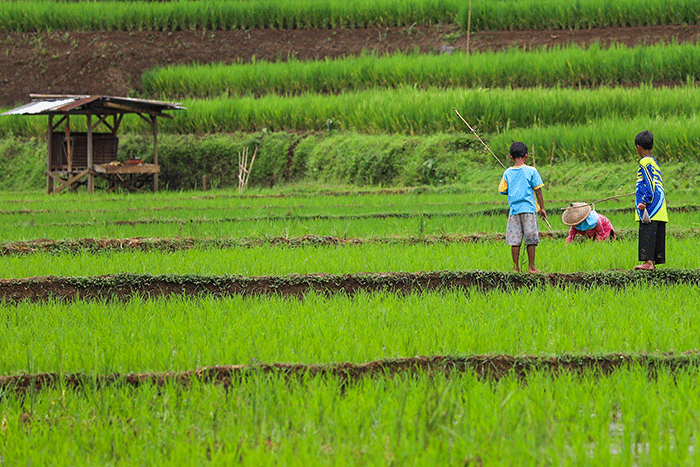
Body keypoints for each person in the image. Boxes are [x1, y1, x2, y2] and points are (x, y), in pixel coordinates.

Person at [498, 141, 547, 273]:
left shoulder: (507, 173)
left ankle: (516, 268)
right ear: (527, 156)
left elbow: (503, 190)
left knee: (515, 239)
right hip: (529, 210)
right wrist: (542, 208)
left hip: (514, 211)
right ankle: (531, 267)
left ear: (511, 157)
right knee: (531, 238)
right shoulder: (532, 171)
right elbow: (538, 190)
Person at [634, 130, 668, 270]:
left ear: (638, 147)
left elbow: (648, 182)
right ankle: (653, 261)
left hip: (650, 206)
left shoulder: (644, 162)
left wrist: (645, 201)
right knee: (656, 233)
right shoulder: (654, 162)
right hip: (660, 205)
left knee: (647, 231)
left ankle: (648, 262)